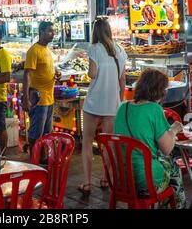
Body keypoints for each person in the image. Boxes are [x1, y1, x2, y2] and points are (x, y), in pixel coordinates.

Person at [114, 69, 186, 209]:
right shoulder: (154, 109)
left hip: (122, 180)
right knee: (174, 168)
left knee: (163, 163)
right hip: (146, 183)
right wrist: (175, 129)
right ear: (160, 91)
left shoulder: (123, 106)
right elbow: (167, 149)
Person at [78, 17, 127, 194]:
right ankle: (106, 179)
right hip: (112, 104)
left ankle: (87, 183)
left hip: (94, 102)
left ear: (95, 32)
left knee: (87, 142)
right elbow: (123, 80)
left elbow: (92, 74)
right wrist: (119, 100)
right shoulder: (120, 50)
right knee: (108, 144)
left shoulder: (94, 49)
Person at [23, 21, 58, 154]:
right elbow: (27, 75)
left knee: (47, 133)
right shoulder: (34, 50)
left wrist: (56, 74)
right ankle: (34, 158)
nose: (53, 33)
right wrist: (26, 98)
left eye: (53, 31)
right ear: (41, 32)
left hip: (49, 98)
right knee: (36, 133)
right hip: (38, 99)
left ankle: (43, 157)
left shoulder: (47, 50)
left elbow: (46, 70)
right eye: (50, 31)